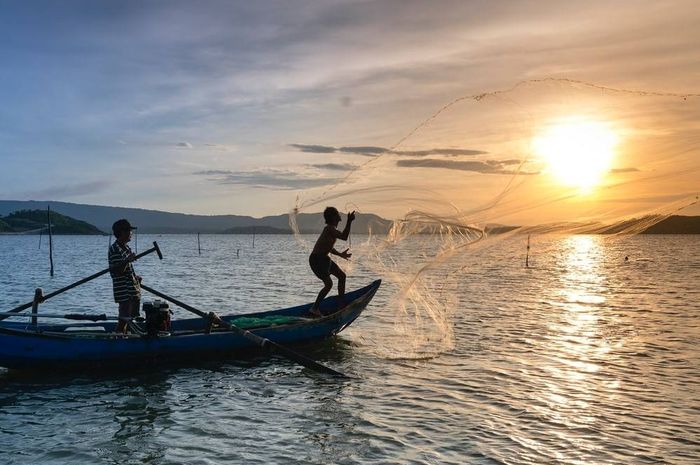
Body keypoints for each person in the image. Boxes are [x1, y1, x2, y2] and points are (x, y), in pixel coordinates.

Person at [308, 207, 356, 317]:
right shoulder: (329, 229)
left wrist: (340, 254)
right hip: (317, 260)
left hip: (324, 259)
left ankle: (341, 305)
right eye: (337, 214)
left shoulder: (331, 230)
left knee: (342, 276)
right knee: (329, 284)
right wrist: (349, 221)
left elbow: (328, 247)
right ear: (334, 217)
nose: (340, 216)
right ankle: (314, 309)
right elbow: (344, 237)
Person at [108, 219, 141, 333]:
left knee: (131, 317)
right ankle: (118, 338)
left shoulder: (126, 248)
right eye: (129, 231)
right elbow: (119, 271)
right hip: (123, 289)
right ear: (122, 232)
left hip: (131, 288)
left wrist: (135, 277)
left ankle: (126, 336)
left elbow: (128, 270)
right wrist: (128, 260)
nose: (131, 234)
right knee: (124, 318)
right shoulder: (115, 249)